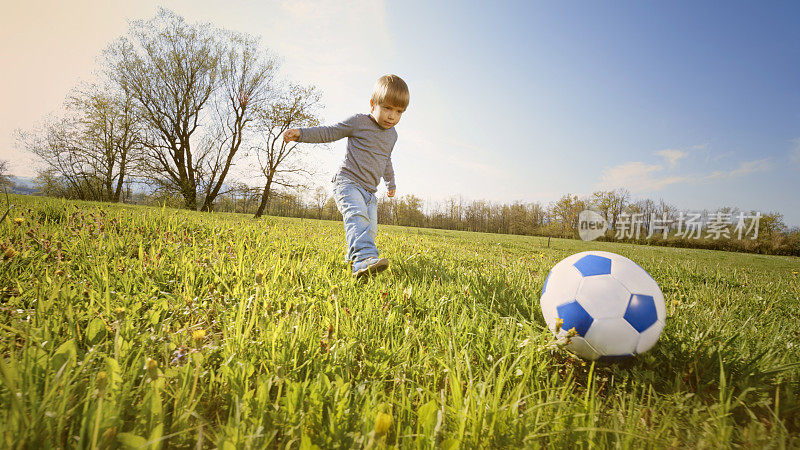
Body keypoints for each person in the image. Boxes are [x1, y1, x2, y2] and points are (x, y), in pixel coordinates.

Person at [283, 74, 409, 278]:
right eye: (387, 108)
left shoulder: (392, 135)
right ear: (372, 104)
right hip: (348, 183)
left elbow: (387, 159)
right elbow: (330, 132)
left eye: (399, 111)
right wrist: (301, 134)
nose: (392, 116)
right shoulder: (358, 122)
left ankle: (355, 264)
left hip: (370, 192)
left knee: (370, 231)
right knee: (357, 218)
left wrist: (391, 182)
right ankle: (365, 259)